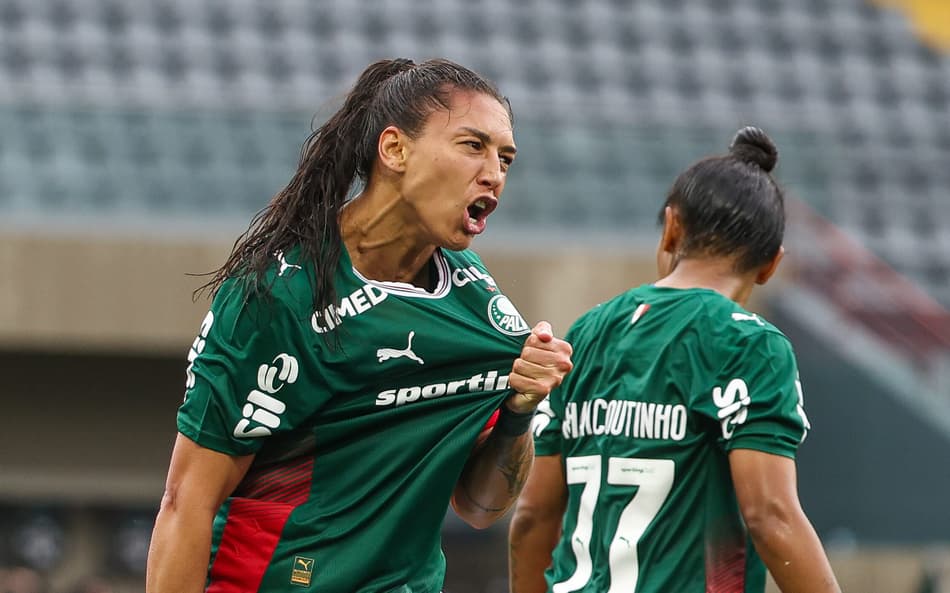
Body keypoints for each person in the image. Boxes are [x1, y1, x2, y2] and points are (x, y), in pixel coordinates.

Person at [145, 58, 573, 593]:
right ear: (394, 150)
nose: (494, 173)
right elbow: (187, 501)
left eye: (505, 158)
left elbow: (480, 506)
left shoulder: (476, 299)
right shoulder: (280, 296)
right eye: (472, 146)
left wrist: (519, 411)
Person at [508, 127, 841, 593]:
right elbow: (770, 516)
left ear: (672, 228)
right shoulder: (749, 345)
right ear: (771, 264)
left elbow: (531, 518)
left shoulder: (586, 332)